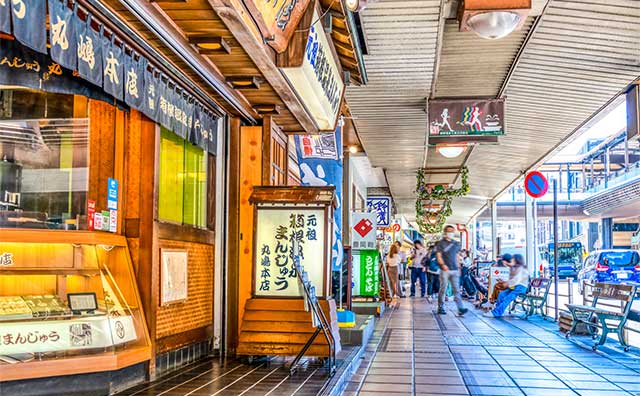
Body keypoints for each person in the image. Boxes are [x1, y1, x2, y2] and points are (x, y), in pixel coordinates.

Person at [435, 225, 468, 316]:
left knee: (456, 289)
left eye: (452, 231)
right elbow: (439, 256)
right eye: (449, 231)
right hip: (444, 270)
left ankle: (460, 308)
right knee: (443, 288)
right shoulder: (440, 243)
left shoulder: (456, 244)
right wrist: (443, 265)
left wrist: (459, 267)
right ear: (445, 232)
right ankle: (441, 307)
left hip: (454, 270)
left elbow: (457, 256)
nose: (450, 233)